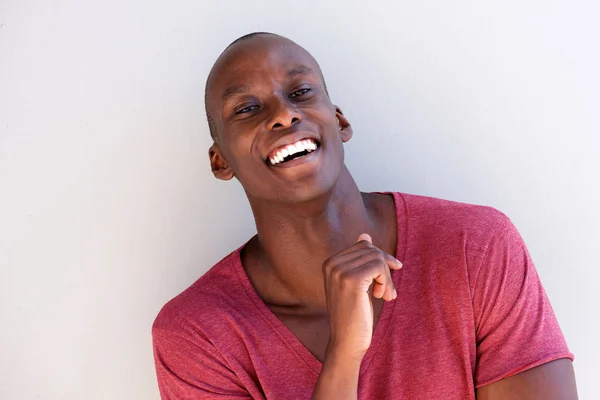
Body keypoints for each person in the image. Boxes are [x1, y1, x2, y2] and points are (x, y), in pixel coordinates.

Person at [152, 32, 577, 399]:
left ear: (339, 121)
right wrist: (343, 355)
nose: (283, 114)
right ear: (220, 161)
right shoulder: (198, 335)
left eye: (300, 92)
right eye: (246, 108)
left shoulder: (476, 246)